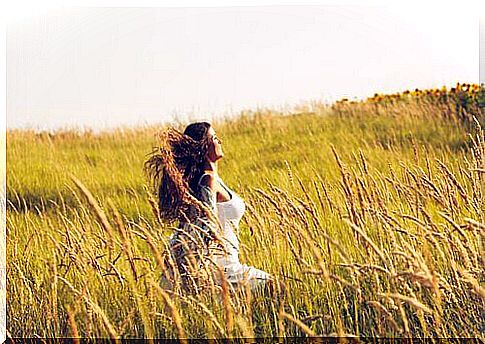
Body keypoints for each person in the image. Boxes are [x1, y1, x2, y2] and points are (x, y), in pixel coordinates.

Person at [144, 122, 274, 294]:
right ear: (204, 147)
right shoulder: (208, 181)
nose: (219, 141)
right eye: (213, 138)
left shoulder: (208, 180)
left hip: (224, 263)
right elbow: (206, 223)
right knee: (275, 287)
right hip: (220, 268)